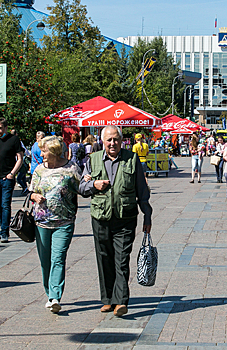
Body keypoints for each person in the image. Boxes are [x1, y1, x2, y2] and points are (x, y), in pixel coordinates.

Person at [79, 125, 152, 317]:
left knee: (121, 259)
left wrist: (147, 214)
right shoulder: (92, 160)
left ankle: (120, 301)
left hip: (125, 217)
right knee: (104, 258)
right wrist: (94, 185)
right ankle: (108, 299)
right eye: (109, 140)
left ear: (122, 141)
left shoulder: (131, 159)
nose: (113, 143)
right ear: (102, 141)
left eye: (116, 139)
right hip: (100, 217)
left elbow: (142, 190)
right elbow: (82, 188)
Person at [29, 136, 82, 314]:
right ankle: (48, 291)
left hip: (64, 221)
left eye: (44, 151)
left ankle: (55, 297)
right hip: (42, 222)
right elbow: (31, 191)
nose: (41, 154)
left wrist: (90, 180)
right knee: (45, 262)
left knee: (58, 258)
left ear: (54, 151)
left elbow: (81, 187)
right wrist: (34, 196)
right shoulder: (39, 170)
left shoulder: (70, 168)